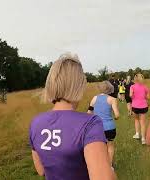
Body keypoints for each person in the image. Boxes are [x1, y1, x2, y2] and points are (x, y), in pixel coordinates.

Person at [29, 52, 116, 180]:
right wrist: (110, 170)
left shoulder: (35, 123)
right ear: (79, 85)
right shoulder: (90, 123)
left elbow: (41, 170)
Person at [88, 81, 120, 167]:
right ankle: (110, 166)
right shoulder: (112, 99)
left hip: (97, 128)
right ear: (110, 88)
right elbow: (117, 115)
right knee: (110, 145)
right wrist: (115, 118)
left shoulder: (94, 98)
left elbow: (89, 112)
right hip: (109, 127)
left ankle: (101, 165)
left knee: (100, 147)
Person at [130, 73, 150, 144]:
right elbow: (148, 97)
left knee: (136, 120)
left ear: (135, 79)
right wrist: (143, 96)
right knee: (143, 122)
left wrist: (134, 96)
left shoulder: (132, 86)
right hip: (144, 106)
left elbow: (131, 95)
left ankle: (137, 134)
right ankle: (143, 139)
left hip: (135, 106)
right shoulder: (145, 87)